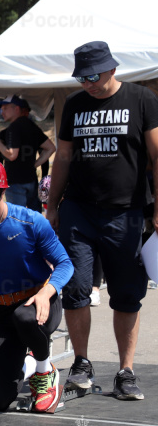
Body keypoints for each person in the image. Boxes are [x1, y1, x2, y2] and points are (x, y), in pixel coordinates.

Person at [46, 41, 158, 401]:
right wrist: (52, 205)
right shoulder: (76, 104)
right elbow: (62, 157)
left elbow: (157, 157)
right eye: (81, 78)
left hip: (127, 212)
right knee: (76, 288)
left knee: (127, 295)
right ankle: (81, 363)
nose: (88, 84)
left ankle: (125, 371)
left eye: (93, 76)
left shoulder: (142, 99)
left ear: (112, 69)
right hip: (79, 210)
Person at [0, 160, 73, 412]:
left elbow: (65, 264)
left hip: (40, 304)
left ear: (2, 190)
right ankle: (31, 365)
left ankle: (45, 373)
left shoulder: (32, 222)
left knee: (24, 317)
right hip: (2, 313)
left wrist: (45, 293)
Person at [0, 95, 55, 212]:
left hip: (15, 181)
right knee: (35, 217)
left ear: (16, 109)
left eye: (5, 108)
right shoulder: (33, 127)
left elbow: (12, 155)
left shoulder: (13, 128)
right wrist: (35, 164)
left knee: (17, 218)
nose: (2, 111)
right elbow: (51, 148)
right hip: (31, 180)